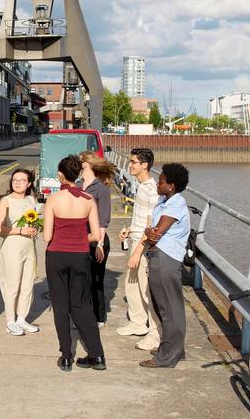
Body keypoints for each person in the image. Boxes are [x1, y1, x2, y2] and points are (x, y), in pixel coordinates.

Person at [42, 155, 106, 371]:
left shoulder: (54, 200)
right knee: (82, 304)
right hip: (80, 256)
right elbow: (96, 235)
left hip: (57, 255)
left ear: (60, 175)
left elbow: (47, 236)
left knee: (61, 306)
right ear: (78, 174)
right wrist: (78, 238)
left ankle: (66, 356)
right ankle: (97, 355)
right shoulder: (88, 199)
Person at [140, 163, 191, 369]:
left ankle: (167, 356)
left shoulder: (176, 204)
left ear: (171, 186)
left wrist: (149, 231)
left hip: (166, 259)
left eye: (161, 182)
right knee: (164, 306)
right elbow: (153, 231)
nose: (157, 185)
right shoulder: (165, 201)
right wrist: (150, 230)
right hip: (160, 256)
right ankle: (174, 349)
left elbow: (155, 233)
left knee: (169, 308)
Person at [117, 147, 161, 351]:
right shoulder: (141, 186)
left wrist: (137, 251)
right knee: (131, 285)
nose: (129, 165)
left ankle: (155, 333)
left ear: (145, 165)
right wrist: (129, 228)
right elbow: (142, 219)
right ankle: (137, 322)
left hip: (143, 245)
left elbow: (151, 225)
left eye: (133, 162)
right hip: (136, 238)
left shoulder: (152, 190)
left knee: (145, 289)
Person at [0, 168, 40, 336]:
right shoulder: (6, 201)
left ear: (29, 183)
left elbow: (35, 220)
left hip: (30, 246)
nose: (18, 183)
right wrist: (20, 231)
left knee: (28, 284)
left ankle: (22, 318)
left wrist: (36, 227)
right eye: (15, 180)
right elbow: (0, 229)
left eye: (22, 180)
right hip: (12, 246)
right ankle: (10, 321)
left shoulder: (31, 199)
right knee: (12, 285)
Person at [79, 151, 114, 325]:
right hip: (80, 238)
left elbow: (103, 219)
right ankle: (82, 315)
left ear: (90, 165)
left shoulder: (101, 188)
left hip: (97, 239)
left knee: (96, 280)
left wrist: (99, 244)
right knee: (81, 280)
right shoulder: (78, 186)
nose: (80, 168)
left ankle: (99, 317)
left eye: (82, 164)